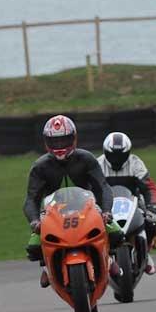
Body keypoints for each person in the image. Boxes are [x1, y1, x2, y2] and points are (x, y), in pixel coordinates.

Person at [24, 115, 123, 288]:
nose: (60, 146)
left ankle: (107, 258)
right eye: (55, 141)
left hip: (87, 209)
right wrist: (34, 221)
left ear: (74, 138)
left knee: (117, 234)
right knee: (33, 246)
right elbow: (31, 199)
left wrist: (106, 211)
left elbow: (103, 186)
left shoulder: (86, 159)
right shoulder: (40, 167)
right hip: (53, 214)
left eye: (64, 140)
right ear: (46, 142)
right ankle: (48, 267)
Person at [98, 132, 156, 275]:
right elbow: (90, 189)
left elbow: (149, 187)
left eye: (121, 155)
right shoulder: (98, 165)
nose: (116, 159)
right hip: (106, 205)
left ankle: (145, 253)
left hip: (133, 203)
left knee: (151, 223)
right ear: (105, 152)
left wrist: (152, 206)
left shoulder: (135, 163)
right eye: (113, 155)